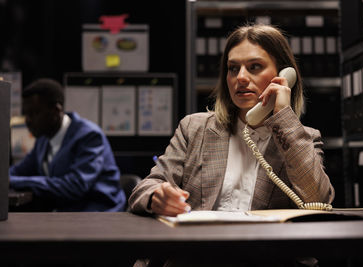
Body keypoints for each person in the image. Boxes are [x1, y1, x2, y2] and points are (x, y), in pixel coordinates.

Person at [129, 24, 334, 217]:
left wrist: (284, 119)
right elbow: (145, 187)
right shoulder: (194, 128)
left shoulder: (301, 138)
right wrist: (157, 196)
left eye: (254, 67)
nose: (241, 77)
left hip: (266, 252)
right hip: (198, 250)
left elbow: (318, 198)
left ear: (283, 76)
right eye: (233, 68)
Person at [9, 78, 126, 211]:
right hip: (67, 214)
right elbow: (19, 170)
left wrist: (13, 181)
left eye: (35, 113)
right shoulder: (43, 139)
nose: (28, 121)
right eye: (26, 114)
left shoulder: (89, 136)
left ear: (56, 110)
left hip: (100, 214)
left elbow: (75, 186)